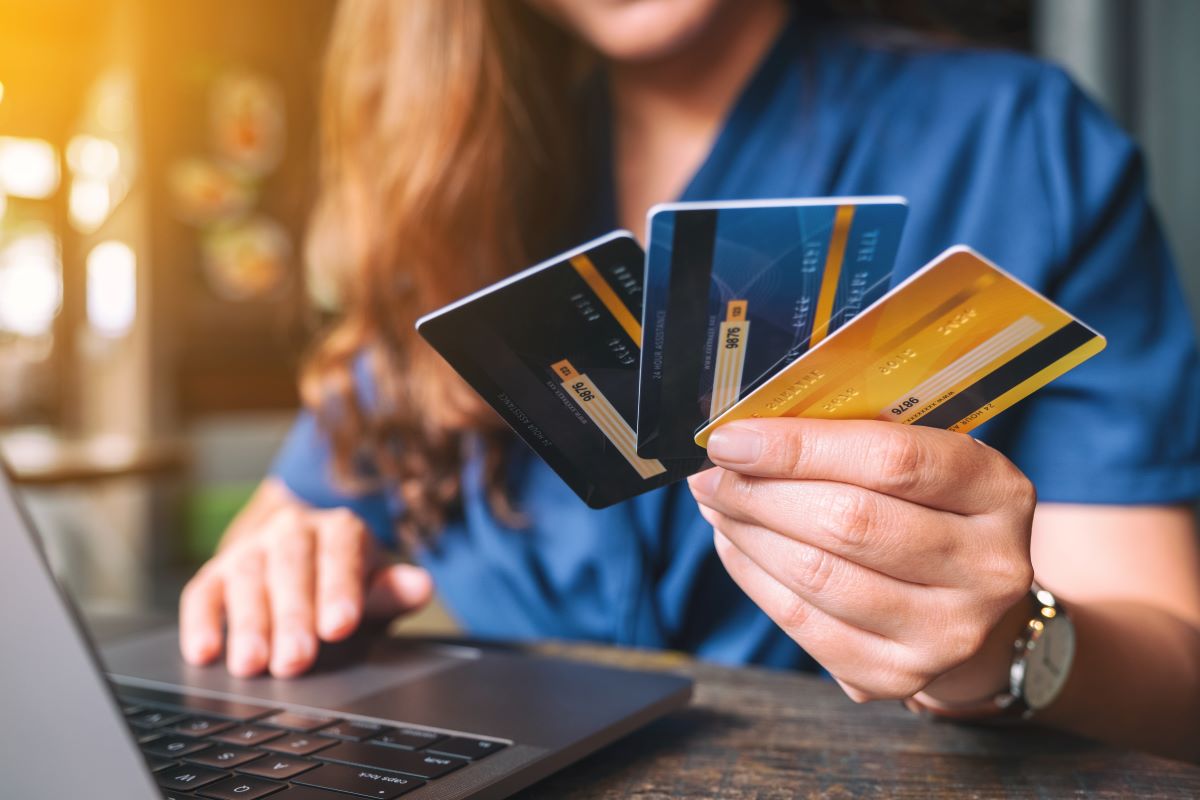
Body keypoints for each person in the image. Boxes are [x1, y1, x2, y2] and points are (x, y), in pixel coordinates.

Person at [179, 0, 1200, 760]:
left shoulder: (1019, 140)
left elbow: (1174, 675)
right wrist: (287, 570)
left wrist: (1001, 651)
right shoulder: (447, 178)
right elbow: (274, 537)